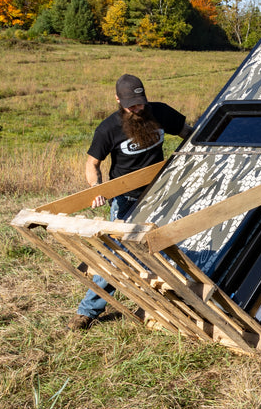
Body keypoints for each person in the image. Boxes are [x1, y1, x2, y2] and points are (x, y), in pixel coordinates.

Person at [67, 74, 193, 330]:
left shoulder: (160, 112)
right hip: (125, 199)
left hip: (159, 193)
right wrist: (97, 189)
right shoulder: (108, 129)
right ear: (118, 100)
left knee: (168, 245)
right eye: (130, 105)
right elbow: (92, 164)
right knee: (118, 254)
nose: (137, 109)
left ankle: (172, 302)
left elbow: (188, 134)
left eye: (140, 103)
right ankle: (87, 312)